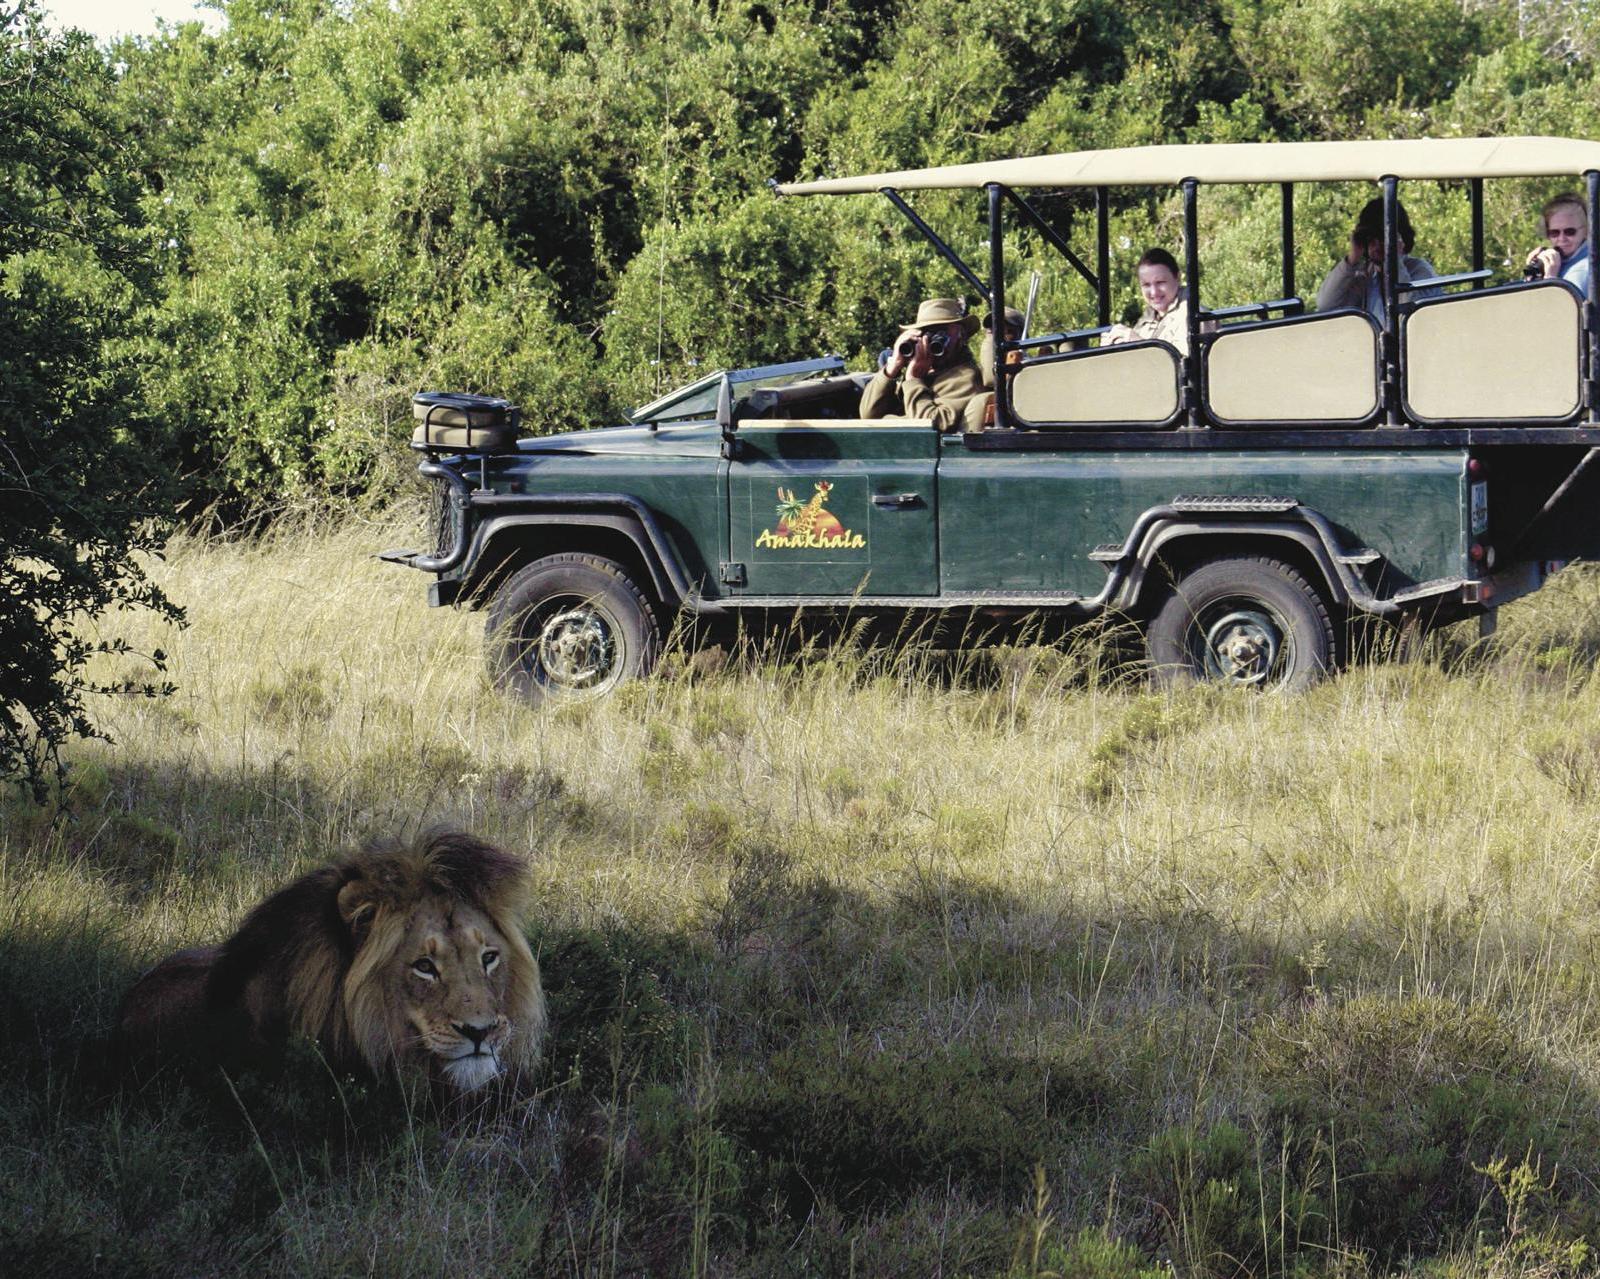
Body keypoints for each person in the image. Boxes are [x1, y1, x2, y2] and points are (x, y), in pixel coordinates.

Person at [860, 297, 984, 433]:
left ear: (961, 334)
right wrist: (892, 369)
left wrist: (913, 379)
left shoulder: (965, 377)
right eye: (926, 331)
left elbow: (929, 428)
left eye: (942, 330)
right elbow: (869, 415)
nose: (931, 338)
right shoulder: (925, 371)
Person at [1315, 197, 1439, 323]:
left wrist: (1395, 262)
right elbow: (1326, 305)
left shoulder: (1420, 270)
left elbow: (1415, 315)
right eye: (1371, 238)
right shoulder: (1365, 277)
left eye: (1383, 237)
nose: (1377, 245)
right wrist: (1352, 259)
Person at [1104, 248, 1192, 354]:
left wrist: (1139, 344)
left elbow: (1188, 366)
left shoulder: (1190, 317)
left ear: (1177, 278)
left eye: (1160, 282)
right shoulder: (1149, 317)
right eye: (1146, 285)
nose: (1154, 292)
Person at [1524, 192, 1590, 294]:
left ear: (1586, 231)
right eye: (1554, 233)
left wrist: (1550, 280)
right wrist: (1533, 274)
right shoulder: (1559, 261)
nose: (1562, 238)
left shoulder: (1583, 270)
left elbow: (1560, 308)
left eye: (1569, 232)